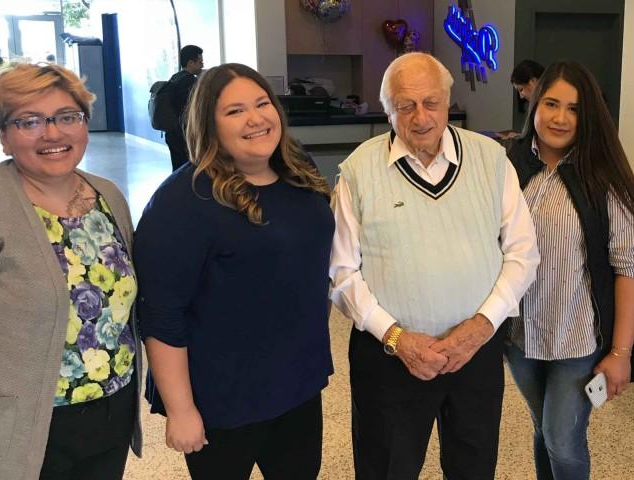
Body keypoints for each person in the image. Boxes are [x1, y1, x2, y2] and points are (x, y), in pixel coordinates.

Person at [0, 62, 143, 479]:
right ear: (3, 136)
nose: (52, 133)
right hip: (10, 433)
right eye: (29, 121)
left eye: (66, 117)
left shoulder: (106, 195)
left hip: (108, 415)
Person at [329, 52, 540, 479]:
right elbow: (342, 273)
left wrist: (482, 326)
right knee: (385, 467)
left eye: (431, 102)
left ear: (448, 101)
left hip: (475, 351)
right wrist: (398, 338)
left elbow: (522, 253)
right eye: (405, 105)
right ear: (388, 110)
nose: (420, 117)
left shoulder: (492, 159)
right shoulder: (357, 171)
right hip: (389, 356)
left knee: (473, 465)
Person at [134, 63, 334, 479]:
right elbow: (161, 314)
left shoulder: (300, 172)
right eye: (235, 111)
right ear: (209, 124)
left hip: (297, 382)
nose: (256, 118)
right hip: (223, 397)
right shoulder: (183, 201)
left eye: (262, 104)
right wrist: (181, 409)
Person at [504, 61, 634, 480]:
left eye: (574, 109)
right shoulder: (510, 167)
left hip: (577, 338)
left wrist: (620, 353)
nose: (560, 118)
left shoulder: (603, 176)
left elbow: (627, 268)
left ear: (589, 115)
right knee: (543, 428)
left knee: (563, 438)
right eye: (551, 103)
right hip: (519, 335)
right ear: (534, 105)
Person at [164, 44, 204, 171]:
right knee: (188, 170)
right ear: (191, 63)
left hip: (172, 133)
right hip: (183, 135)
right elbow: (194, 108)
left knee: (177, 169)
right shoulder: (189, 82)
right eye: (200, 62)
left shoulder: (175, 77)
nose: (202, 65)